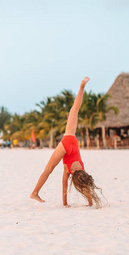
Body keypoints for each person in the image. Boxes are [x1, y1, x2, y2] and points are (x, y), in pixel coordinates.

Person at [30, 77, 103, 208]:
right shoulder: (69, 171)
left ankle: (82, 87)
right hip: (66, 143)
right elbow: (65, 187)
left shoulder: (81, 167)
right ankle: (34, 193)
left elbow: (85, 183)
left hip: (70, 138)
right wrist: (66, 204)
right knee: (49, 169)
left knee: (75, 110)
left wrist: (89, 202)